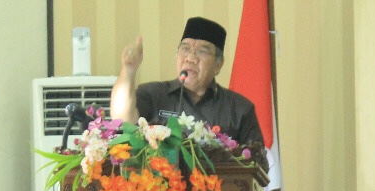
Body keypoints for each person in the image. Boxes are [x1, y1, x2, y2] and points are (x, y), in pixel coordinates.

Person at [111, 16, 264, 153]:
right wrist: (129, 69)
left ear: (218, 64)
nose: (190, 58)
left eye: (202, 51)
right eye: (185, 49)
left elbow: (257, 161)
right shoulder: (152, 94)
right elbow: (122, 119)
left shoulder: (239, 108)